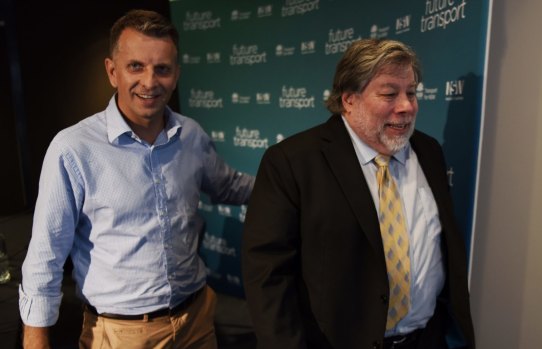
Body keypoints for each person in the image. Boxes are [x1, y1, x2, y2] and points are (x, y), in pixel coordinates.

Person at [19, 9, 254, 349]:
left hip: (197, 321)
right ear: (112, 71)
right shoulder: (73, 148)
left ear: (176, 75)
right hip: (120, 335)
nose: (149, 81)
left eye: (162, 69)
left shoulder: (192, 135)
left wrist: (293, 184)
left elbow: (230, 186)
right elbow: (45, 257)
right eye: (136, 67)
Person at [241, 39, 475, 349]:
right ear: (350, 100)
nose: (407, 105)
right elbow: (268, 275)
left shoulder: (429, 151)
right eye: (390, 93)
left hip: (426, 340)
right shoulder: (293, 161)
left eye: (412, 92)